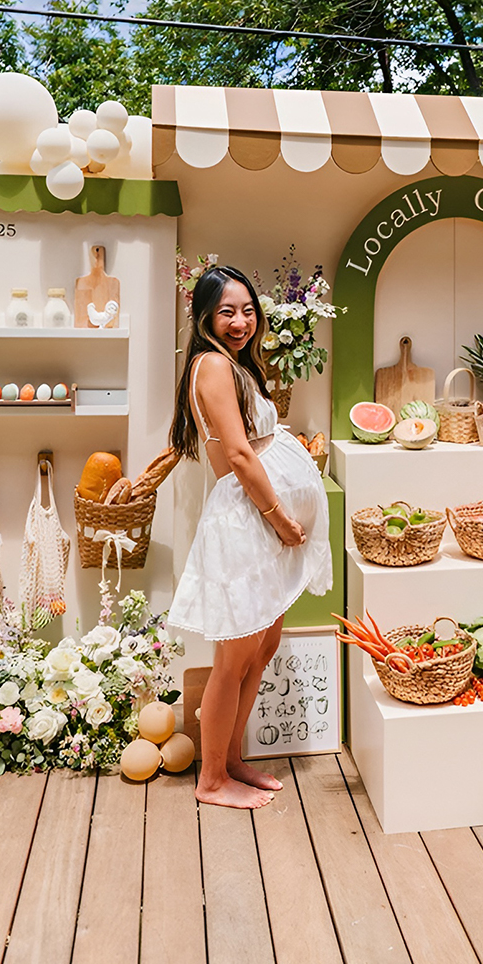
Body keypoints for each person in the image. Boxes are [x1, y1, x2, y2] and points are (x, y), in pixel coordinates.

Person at [168, 264, 332, 808]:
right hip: (248, 523)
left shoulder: (233, 363)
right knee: (232, 661)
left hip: (261, 525)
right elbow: (239, 455)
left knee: (262, 650)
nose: (240, 322)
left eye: (247, 310)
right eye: (226, 312)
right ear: (204, 317)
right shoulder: (214, 365)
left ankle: (232, 760)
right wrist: (281, 518)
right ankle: (212, 780)